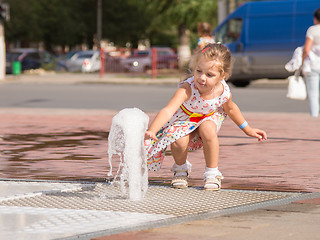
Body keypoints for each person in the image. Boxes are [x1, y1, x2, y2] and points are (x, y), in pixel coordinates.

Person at [144, 43, 267, 191]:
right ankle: (181, 169)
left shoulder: (222, 91)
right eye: (198, 71)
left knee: (208, 128)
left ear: (223, 76)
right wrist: (152, 130)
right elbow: (168, 110)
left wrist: (248, 129)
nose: (202, 78)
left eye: (209, 75)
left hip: (208, 117)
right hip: (185, 118)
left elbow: (232, 109)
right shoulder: (187, 88)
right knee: (178, 140)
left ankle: (212, 173)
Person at [302, 8, 320, 117]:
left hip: (313, 65)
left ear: (315, 18)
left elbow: (306, 49)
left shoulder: (312, 30)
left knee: (313, 94)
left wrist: (303, 61)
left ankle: (314, 118)